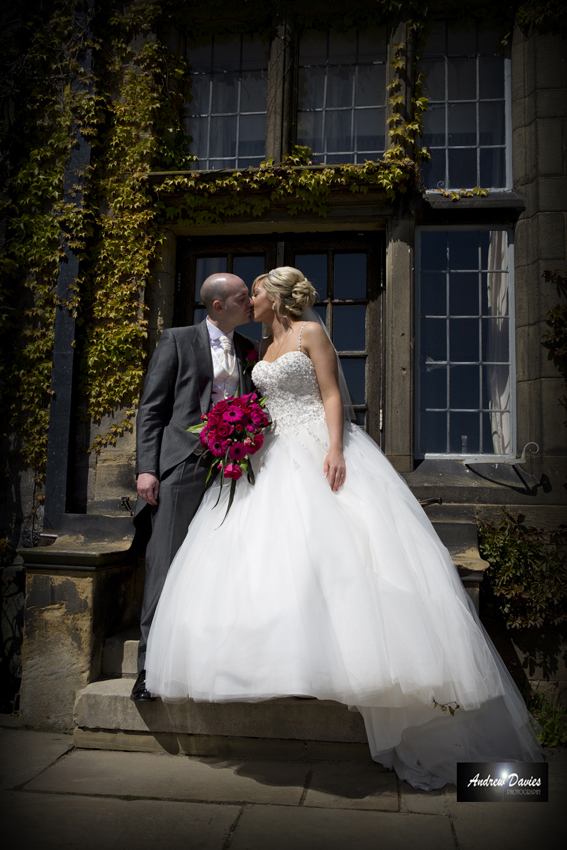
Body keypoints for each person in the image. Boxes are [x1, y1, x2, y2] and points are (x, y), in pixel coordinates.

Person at [145, 266, 541, 789]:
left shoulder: (311, 333)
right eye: (244, 295)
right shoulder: (258, 348)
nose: (250, 299)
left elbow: (332, 395)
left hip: (315, 449)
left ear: (277, 296)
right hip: (269, 456)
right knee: (272, 558)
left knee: (339, 551)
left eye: (256, 292)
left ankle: (486, 769)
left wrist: (334, 449)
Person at [131, 272, 255, 701]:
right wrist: (147, 468)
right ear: (219, 305)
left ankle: (213, 663)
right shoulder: (176, 340)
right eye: (244, 297)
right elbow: (151, 409)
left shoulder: (247, 350)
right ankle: (148, 670)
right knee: (164, 564)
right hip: (183, 464)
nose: (252, 303)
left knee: (224, 566)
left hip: (233, 469)